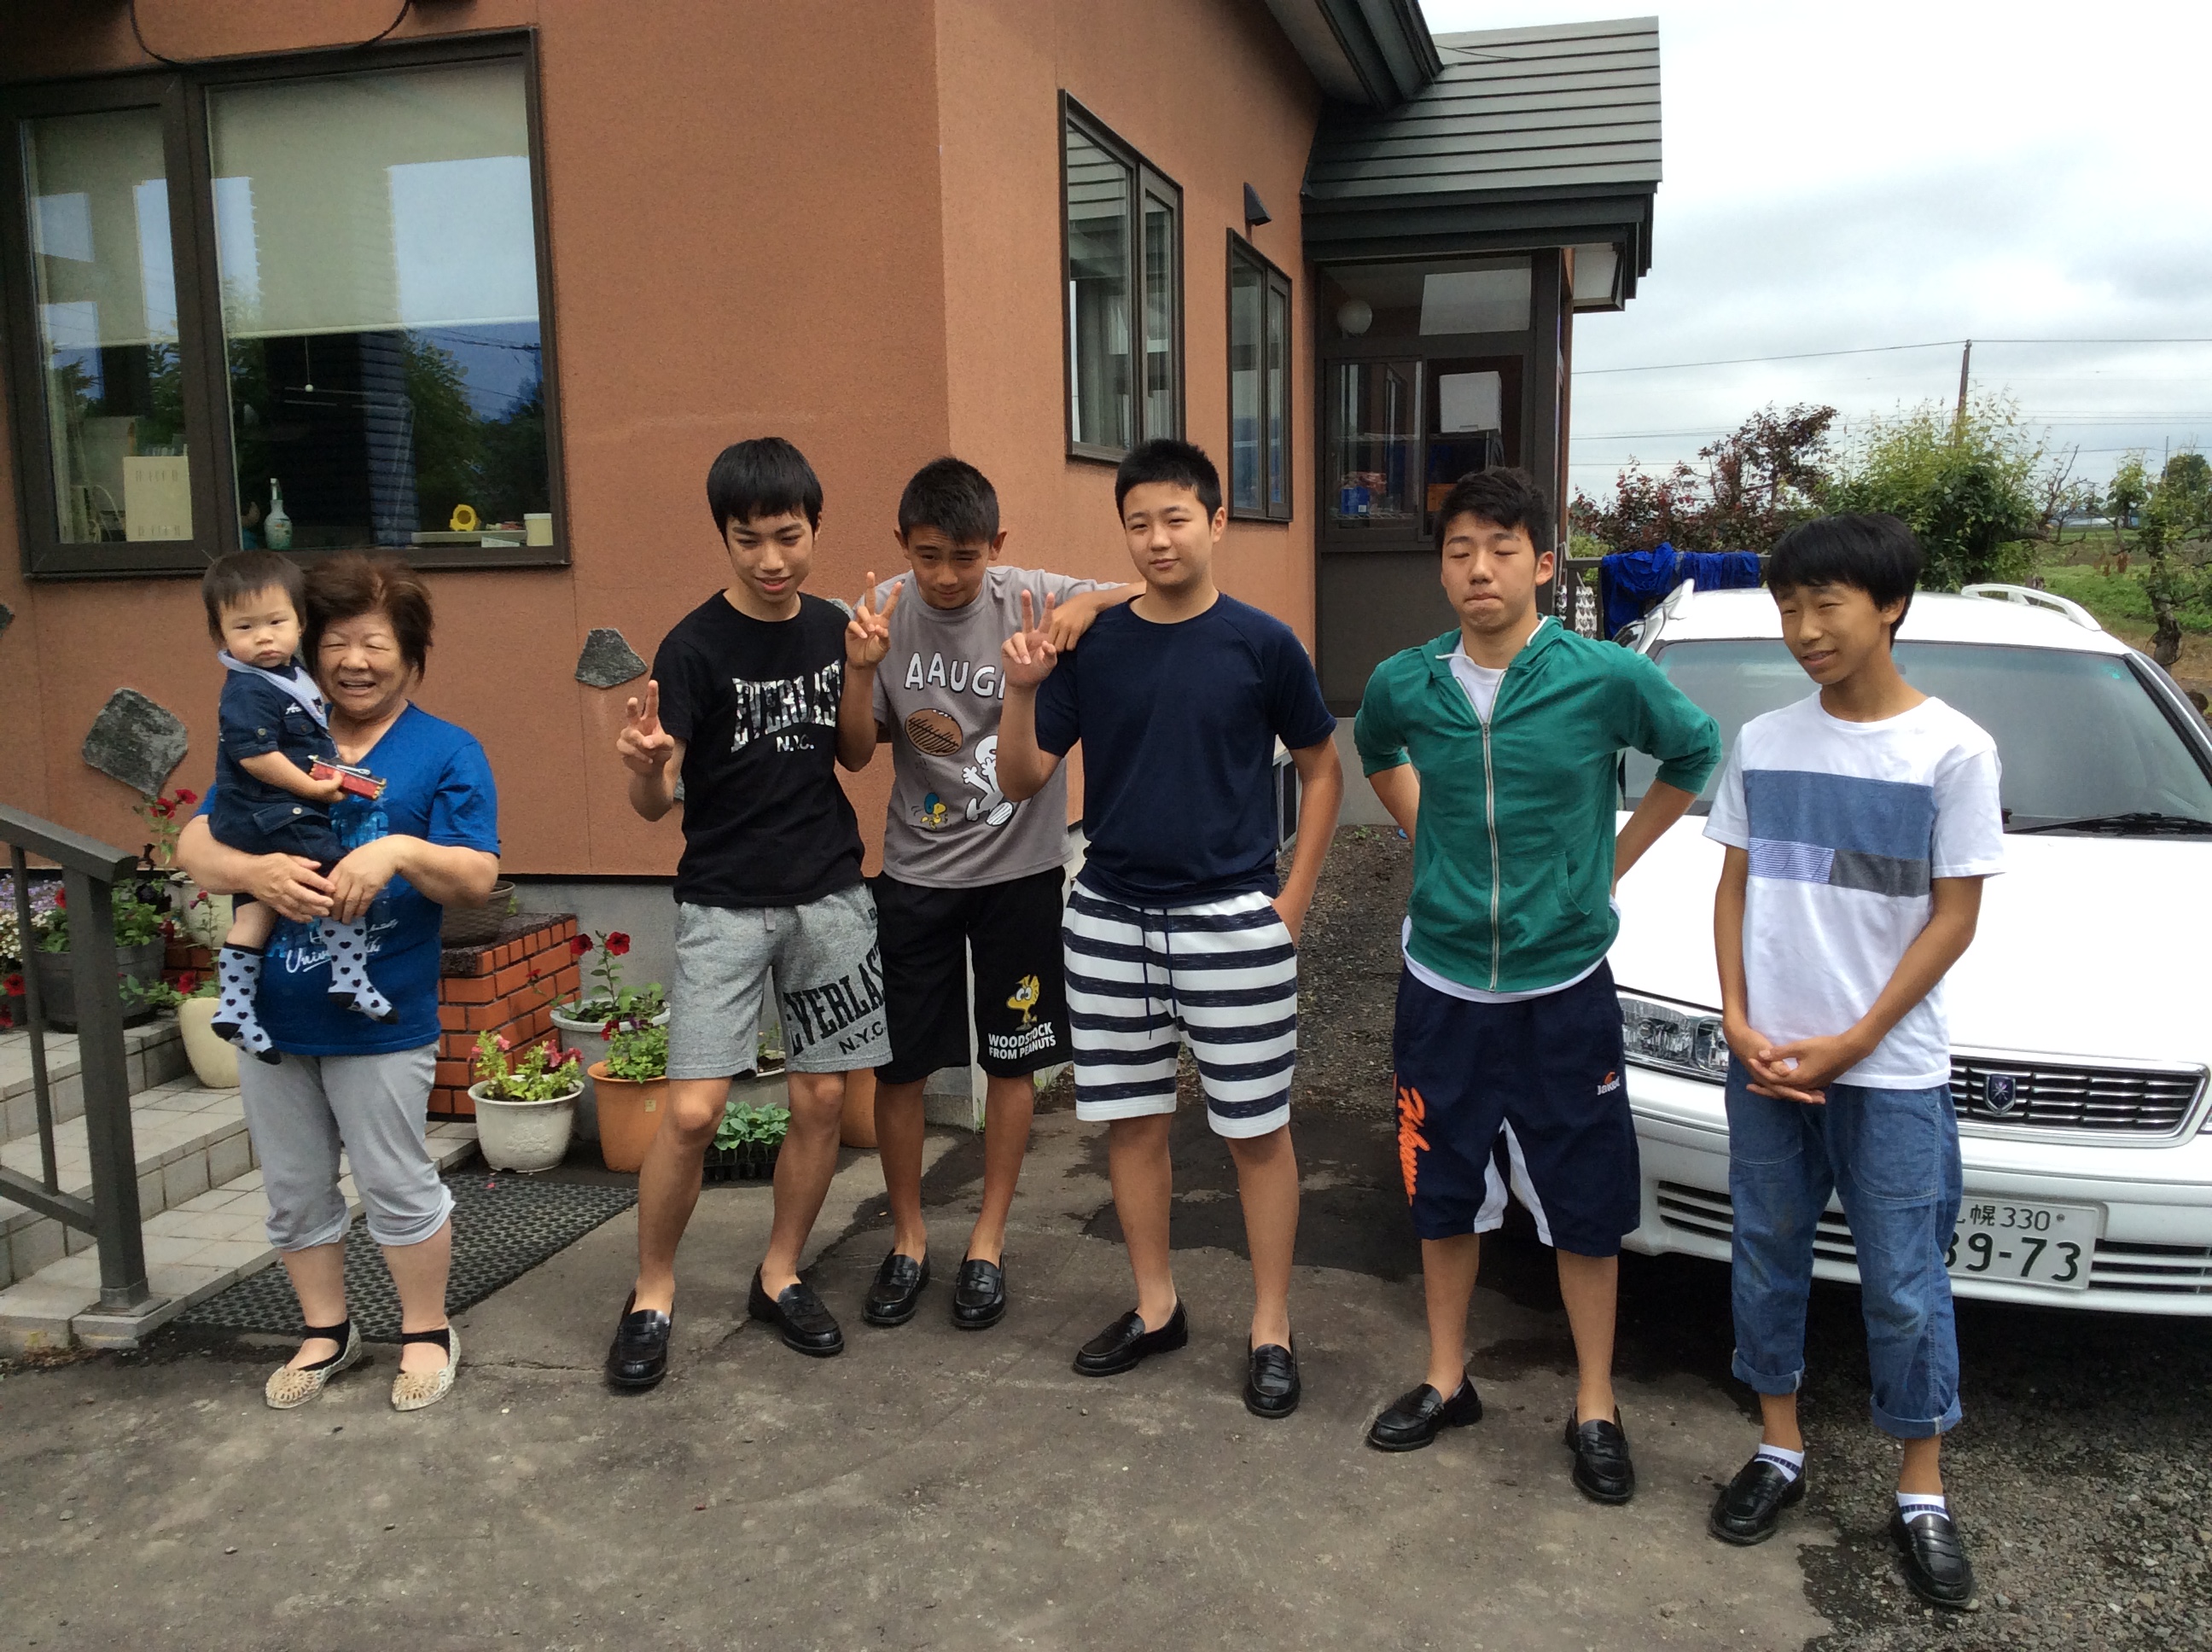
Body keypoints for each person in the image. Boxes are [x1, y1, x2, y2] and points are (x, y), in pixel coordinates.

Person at [1351, 468, 1719, 1501]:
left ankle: (1595, 1401)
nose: (1480, 568)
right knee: (1442, 1191)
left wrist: (1609, 864)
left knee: (1586, 1200)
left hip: (1564, 988)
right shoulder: (1405, 682)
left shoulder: (1603, 677)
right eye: (1460, 550)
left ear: (1544, 564)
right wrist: (1429, 839)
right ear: (1441, 569)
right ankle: (1446, 1375)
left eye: (1502, 549)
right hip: (1443, 988)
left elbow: (1695, 750)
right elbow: (1377, 752)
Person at [995, 438, 1342, 1420]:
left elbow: (1323, 769)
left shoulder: (1263, 643)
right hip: (1109, 915)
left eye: (1176, 518)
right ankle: (1156, 1307)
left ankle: (1271, 1324)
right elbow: (1022, 777)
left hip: (1232, 920)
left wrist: (1291, 904)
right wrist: (1021, 689)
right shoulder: (1094, 643)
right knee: (1133, 1124)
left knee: (1257, 1131)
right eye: (1138, 522)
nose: (1158, 539)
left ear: (1217, 521)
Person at [1703, 514, 2000, 1609]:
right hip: (1767, 1062)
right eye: (1789, 608)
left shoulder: (1954, 750)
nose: (1805, 629)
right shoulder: (1764, 741)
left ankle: (1921, 1487)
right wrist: (1736, 1017)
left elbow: (1953, 918)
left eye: (1826, 604)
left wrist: (1859, 1038)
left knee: (1906, 1282)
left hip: (1890, 1072)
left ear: (1891, 605)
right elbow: (1733, 889)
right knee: (1765, 1257)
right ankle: (1778, 1445)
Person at [176, 553, 501, 1414]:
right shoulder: (277, 727)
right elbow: (194, 845)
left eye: (376, 644)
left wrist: (396, 849)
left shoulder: (445, 750)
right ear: (307, 645)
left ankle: (426, 1331)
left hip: (382, 1018)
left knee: (396, 1182)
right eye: (338, 643)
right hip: (272, 1019)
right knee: (293, 1190)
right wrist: (257, 872)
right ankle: (326, 1331)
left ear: (410, 652)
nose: (355, 661)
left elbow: (476, 876)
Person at [603, 436, 894, 1389]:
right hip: (724, 903)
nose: (772, 560)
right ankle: (652, 1292)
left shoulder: (835, 626)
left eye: (789, 536)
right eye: (749, 540)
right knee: (692, 1112)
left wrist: (860, 670)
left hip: (830, 893)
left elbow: (856, 755)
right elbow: (657, 804)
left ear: (815, 528)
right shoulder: (692, 647)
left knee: (822, 1099)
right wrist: (649, 770)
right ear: (723, 537)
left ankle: (780, 1273)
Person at [852, 457, 1131, 1331]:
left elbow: (1153, 587)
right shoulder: (881, 613)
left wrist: (1087, 605)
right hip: (915, 876)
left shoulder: (1031, 596)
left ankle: (988, 1239)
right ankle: (907, 1238)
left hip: (1020, 875)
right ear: (902, 544)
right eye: (928, 555)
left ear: (997, 546)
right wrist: (859, 669)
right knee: (901, 1067)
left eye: (965, 557)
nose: (945, 576)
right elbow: (857, 750)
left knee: (1013, 1058)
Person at [199, 550, 393, 1062]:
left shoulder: (288, 674)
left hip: (257, 817)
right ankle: (349, 977)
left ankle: (235, 1009)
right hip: (276, 814)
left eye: (276, 622)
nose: (264, 638)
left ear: (300, 624)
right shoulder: (248, 689)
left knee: (255, 912)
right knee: (338, 881)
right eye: (245, 627)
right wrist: (312, 788)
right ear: (221, 635)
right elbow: (256, 757)